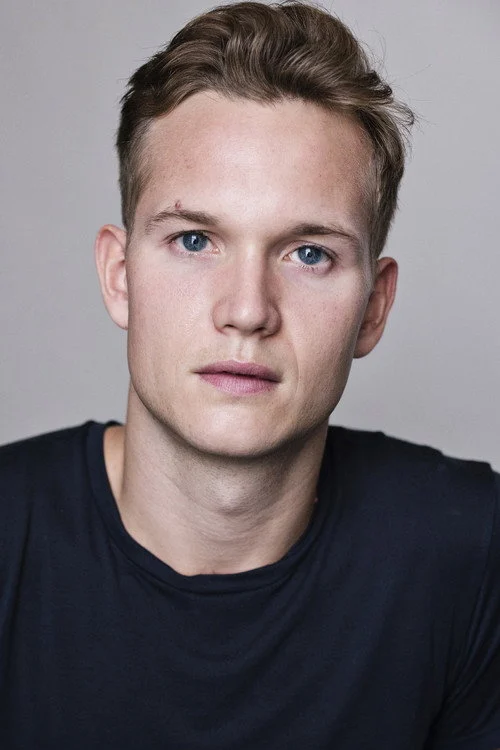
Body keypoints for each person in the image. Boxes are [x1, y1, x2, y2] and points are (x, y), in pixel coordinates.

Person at [0, 2, 498, 748]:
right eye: (194, 240)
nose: (246, 311)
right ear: (120, 276)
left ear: (373, 307)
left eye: (309, 254)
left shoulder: (473, 550)